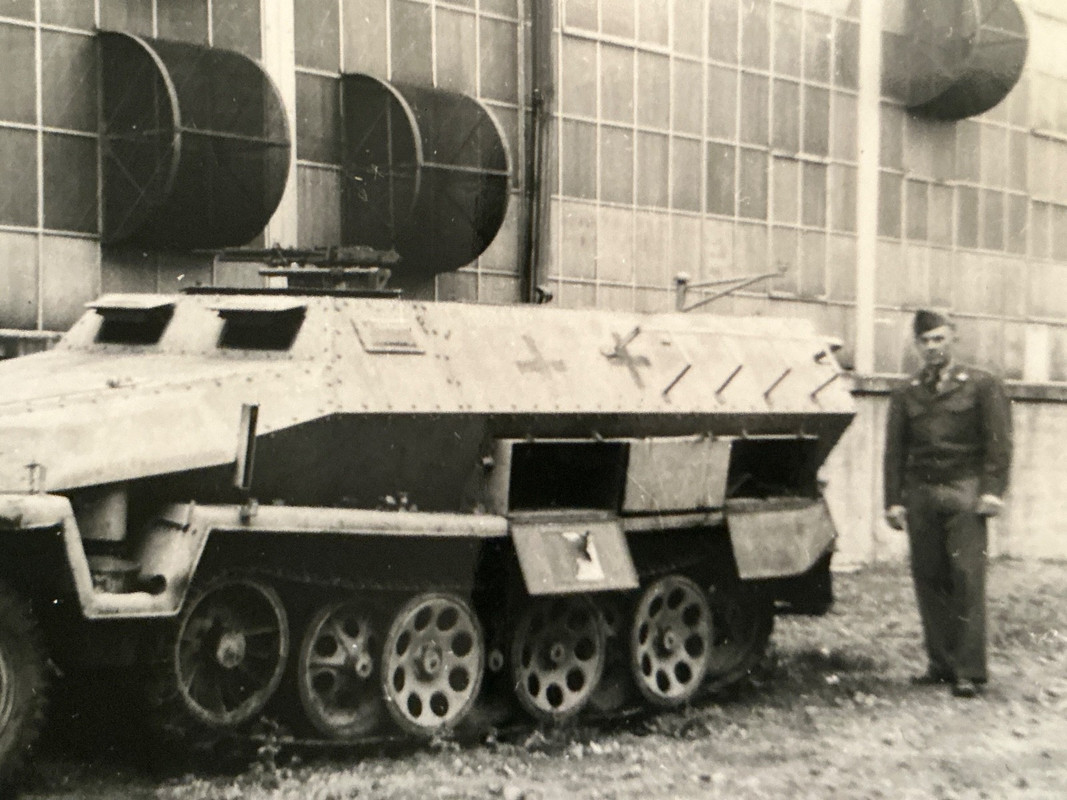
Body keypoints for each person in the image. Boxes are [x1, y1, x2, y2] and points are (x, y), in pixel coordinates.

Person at [883, 309, 1012, 698]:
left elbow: (999, 442)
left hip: (964, 491)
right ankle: (940, 663)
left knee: (967, 579)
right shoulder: (906, 393)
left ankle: (969, 671)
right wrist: (892, 501)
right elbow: (895, 451)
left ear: (953, 338)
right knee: (929, 577)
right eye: (925, 341)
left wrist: (992, 491)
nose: (933, 347)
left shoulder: (981, 384)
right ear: (917, 345)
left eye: (939, 339)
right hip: (921, 494)